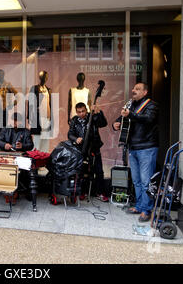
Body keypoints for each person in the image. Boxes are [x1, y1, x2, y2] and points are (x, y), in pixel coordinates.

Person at [112, 83, 159, 222]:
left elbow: (148, 119)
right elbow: (122, 118)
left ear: (145, 92)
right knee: (137, 181)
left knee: (146, 182)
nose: (133, 91)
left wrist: (130, 114)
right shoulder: (131, 104)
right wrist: (116, 123)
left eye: (137, 89)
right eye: (133, 89)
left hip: (147, 148)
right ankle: (139, 206)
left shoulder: (152, 105)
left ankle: (147, 210)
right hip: (133, 147)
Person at [68, 102, 109, 202]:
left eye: (83, 111)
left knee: (99, 171)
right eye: (79, 112)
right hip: (81, 149)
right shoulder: (74, 120)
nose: (81, 114)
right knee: (82, 172)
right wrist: (75, 139)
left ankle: (100, 193)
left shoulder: (92, 117)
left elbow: (103, 123)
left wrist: (99, 112)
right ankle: (83, 192)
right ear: (76, 112)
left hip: (94, 148)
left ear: (86, 110)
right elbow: (70, 134)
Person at [0, 69, 18, 139]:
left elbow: (18, 95)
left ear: (2, 75)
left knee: (2, 130)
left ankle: (2, 145)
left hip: (3, 111)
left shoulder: (8, 85)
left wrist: (13, 104)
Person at [28, 71, 52, 152]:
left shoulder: (48, 90)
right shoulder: (34, 88)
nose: (44, 78)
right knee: (37, 141)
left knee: (46, 140)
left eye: (45, 77)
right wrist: (30, 118)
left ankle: (44, 158)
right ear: (39, 77)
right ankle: (35, 158)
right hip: (37, 118)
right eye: (42, 76)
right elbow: (30, 104)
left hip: (47, 118)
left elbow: (50, 105)